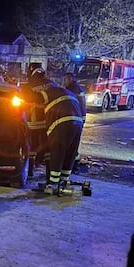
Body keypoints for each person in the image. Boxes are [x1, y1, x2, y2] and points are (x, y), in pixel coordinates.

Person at [28, 67, 84, 195]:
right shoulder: (67, 92)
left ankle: (52, 184)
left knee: (57, 152)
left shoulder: (49, 91)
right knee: (70, 153)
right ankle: (63, 181)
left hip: (61, 123)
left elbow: (37, 98)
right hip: (78, 123)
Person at [62, 72, 87, 170]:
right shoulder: (78, 88)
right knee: (75, 143)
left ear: (69, 79)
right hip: (80, 118)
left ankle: (72, 166)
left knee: (71, 144)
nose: (63, 82)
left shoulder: (71, 89)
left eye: (65, 80)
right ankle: (74, 164)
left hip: (74, 119)